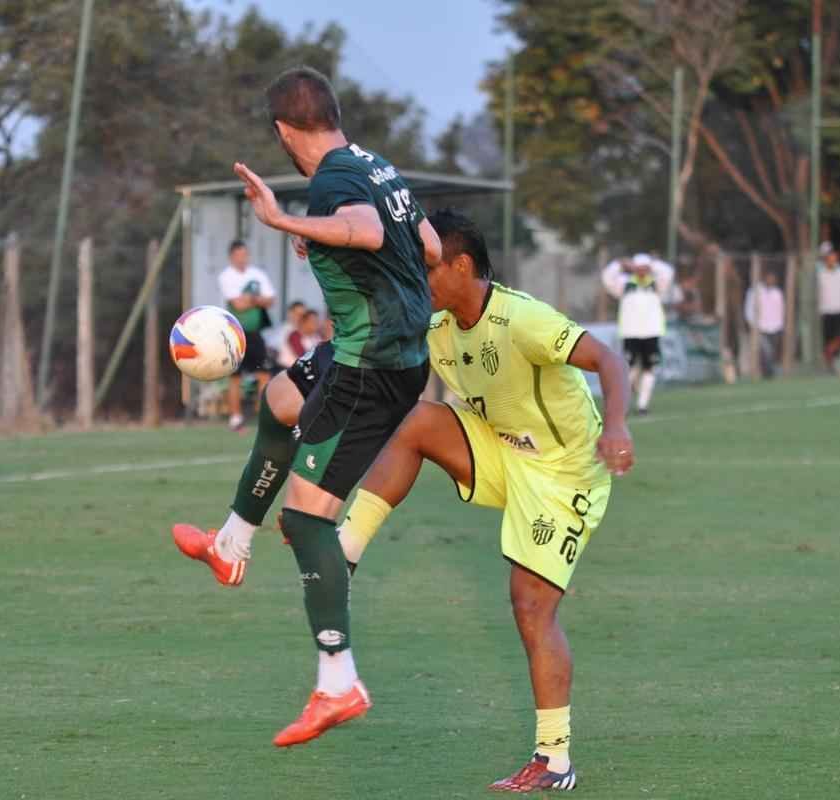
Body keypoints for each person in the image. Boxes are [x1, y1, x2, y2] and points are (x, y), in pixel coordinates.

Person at [171, 65, 442, 747]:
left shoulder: (331, 181)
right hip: (376, 350)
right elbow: (428, 246)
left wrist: (284, 218)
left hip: (370, 367)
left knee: (305, 518)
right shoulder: (376, 166)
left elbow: (367, 232)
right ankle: (230, 545)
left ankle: (337, 682)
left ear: (284, 131)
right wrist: (322, 234)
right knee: (279, 398)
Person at [339, 210, 634, 792]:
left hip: (564, 474)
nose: (417, 282)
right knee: (417, 422)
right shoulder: (437, 324)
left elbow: (610, 359)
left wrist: (618, 426)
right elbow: (373, 298)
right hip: (501, 449)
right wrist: (330, 254)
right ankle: (340, 556)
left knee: (531, 608)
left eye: (426, 269)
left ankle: (555, 760)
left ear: (461, 266)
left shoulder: (522, 319)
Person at [601, 253, 674, 414]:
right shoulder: (624, 284)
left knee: (650, 368)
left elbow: (668, 272)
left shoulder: (656, 284)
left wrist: (653, 263)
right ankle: (623, 404)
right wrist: (620, 263)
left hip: (652, 331)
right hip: (630, 332)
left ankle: (643, 404)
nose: (641, 271)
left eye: (644, 268)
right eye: (638, 268)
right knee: (630, 369)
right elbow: (607, 277)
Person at [218, 240, 276, 430]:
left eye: (245, 254)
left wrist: (250, 299)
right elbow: (238, 305)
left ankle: (262, 416)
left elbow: (271, 300)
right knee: (235, 376)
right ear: (231, 257)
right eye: (239, 255)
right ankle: (236, 417)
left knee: (264, 373)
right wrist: (257, 299)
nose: (243, 258)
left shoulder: (257, 274)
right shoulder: (227, 276)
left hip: (255, 332)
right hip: (235, 334)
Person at [817, 245, 840, 372]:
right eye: (830, 258)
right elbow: (818, 293)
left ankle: (830, 353)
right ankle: (830, 364)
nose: (833, 261)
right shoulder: (821, 274)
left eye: (835, 258)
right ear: (826, 259)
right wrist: (819, 308)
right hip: (826, 311)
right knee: (828, 338)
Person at [744, 271, 784, 378]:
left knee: (772, 351)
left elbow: (780, 310)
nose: (771, 281)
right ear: (765, 278)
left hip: (775, 327)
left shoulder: (777, 293)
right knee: (766, 350)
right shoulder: (754, 291)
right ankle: (768, 372)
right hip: (760, 327)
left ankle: (768, 372)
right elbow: (748, 309)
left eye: (773, 279)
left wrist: (780, 325)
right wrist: (752, 323)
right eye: (769, 278)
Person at [273, 300, 307, 368]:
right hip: (284, 368)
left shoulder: (308, 332)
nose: (300, 317)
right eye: (297, 313)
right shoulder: (282, 331)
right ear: (290, 313)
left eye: (303, 315)